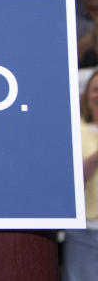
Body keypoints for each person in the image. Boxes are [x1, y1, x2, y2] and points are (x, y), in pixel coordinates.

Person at [65, 70, 98, 281]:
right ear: (86, 95)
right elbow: (74, 180)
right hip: (84, 232)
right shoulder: (75, 130)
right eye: (96, 89)